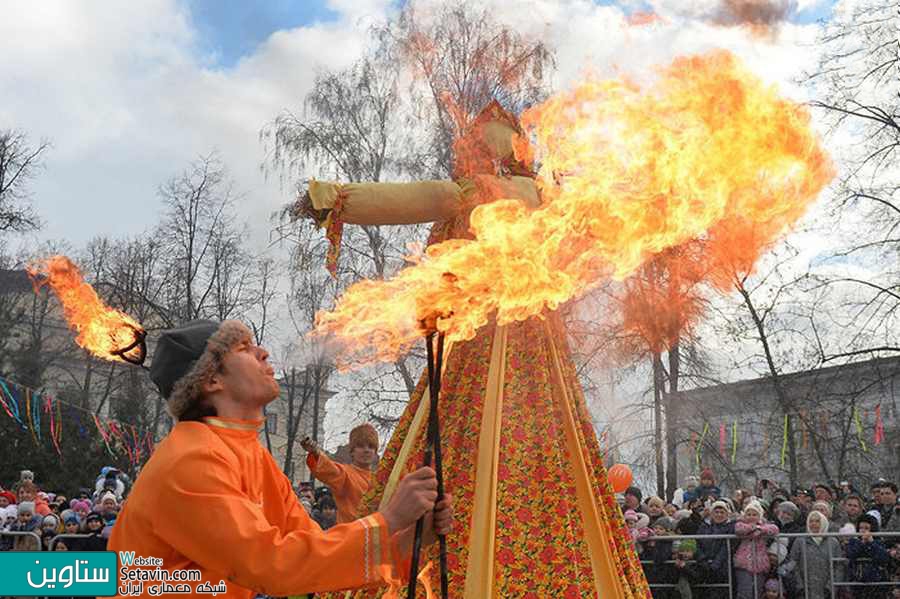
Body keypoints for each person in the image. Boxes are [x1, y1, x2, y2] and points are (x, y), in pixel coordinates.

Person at [302, 100, 649, 599]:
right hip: (524, 336)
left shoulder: (475, 190)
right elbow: (605, 220)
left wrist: (337, 199)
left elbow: (416, 199)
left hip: (484, 338)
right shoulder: (547, 197)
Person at [109, 319, 453, 598]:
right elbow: (272, 564)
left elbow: (309, 553)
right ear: (211, 379)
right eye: (244, 348)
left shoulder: (249, 452)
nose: (263, 352)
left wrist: (408, 539)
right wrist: (388, 520)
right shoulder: (190, 460)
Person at [303, 424, 378, 523]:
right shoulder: (346, 473)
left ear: (375, 452)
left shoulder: (379, 479)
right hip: (350, 534)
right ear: (352, 452)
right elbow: (331, 469)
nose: (366, 450)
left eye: (371, 446)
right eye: (361, 446)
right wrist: (316, 452)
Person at [783, 511, 843, 599]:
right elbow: (793, 563)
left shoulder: (833, 542)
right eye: (811, 521)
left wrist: (830, 587)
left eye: (817, 521)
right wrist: (800, 587)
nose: (813, 524)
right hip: (805, 591)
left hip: (826, 591)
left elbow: (839, 566)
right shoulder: (800, 540)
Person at [734, 501, 779, 599]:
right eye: (748, 514)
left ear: (760, 515)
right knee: (744, 592)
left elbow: (775, 529)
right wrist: (753, 528)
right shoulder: (740, 524)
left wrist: (760, 529)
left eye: (754, 514)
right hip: (744, 563)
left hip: (760, 563)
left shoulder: (764, 525)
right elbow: (739, 529)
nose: (751, 517)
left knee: (757, 592)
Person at [697, 500, 736, 599]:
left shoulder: (731, 527)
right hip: (704, 565)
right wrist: (702, 559)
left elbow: (726, 547)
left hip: (723, 567)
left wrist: (716, 563)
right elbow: (698, 543)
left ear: (727, 514)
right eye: (716, 512)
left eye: (722, 512)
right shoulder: (703, 526)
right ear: (711, 513)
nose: (719, 515)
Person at [848, 514, 890, 599]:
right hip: (858, 582)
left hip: (876, 582)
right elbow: (851, 554)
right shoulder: (854, 541)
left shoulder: (878, 541)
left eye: (866, 528)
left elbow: (883, 558)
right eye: (861, 528)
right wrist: (862, 543)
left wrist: (871, 542)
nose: (863, 531)